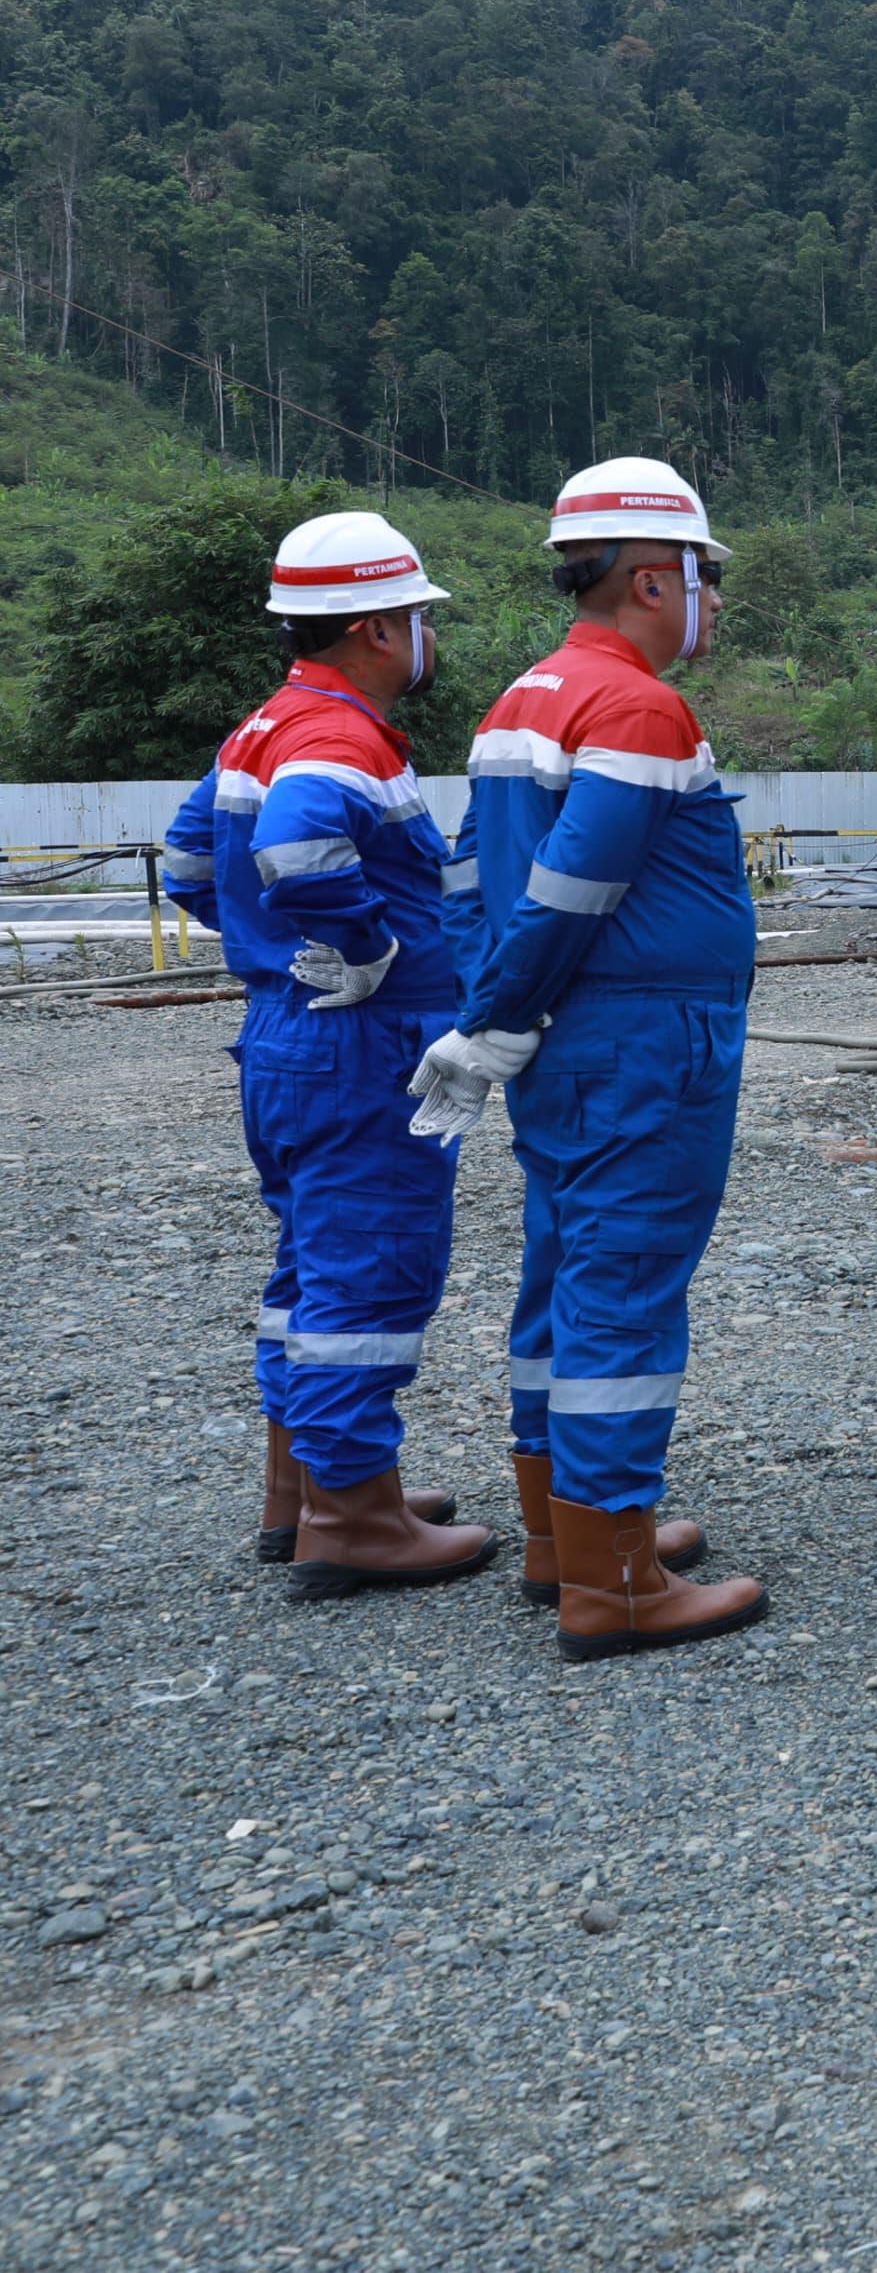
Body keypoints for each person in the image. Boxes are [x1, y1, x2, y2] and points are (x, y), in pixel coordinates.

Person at [411, 458, 763, 1661]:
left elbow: (469, 877)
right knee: (624, 1292)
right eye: (704, 579)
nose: (708, 602)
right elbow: (579, 881)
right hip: (640, 1036)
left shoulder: (520, 701)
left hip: (567, 1034)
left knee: (566, 1270)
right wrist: (506, 1001)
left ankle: (563, 1535)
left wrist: (494, 1010)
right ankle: (613, 1580)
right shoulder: (637, 707)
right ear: (656, 577)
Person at [159, 511, 490, 1592]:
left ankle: (303, 1491)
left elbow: (186, 863)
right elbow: (299, 849)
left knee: (308, 1272)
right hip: (360, 1041)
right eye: (416, 618)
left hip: (286, 1035)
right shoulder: (338, 737)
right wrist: (366, 942)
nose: (424, 637)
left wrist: (264, 950)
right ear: (373, 628)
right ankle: (352, 1519)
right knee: (373, 1270)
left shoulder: (260, 727)